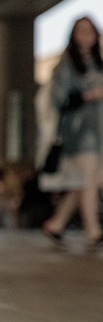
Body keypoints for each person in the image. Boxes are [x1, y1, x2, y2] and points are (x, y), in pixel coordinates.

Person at [40, 16, 103, 249]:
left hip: (99, 131)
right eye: (81, 30)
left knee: (85, 182)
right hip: (80, 132)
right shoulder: (67, 64)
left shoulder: (98, 62)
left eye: (90, 30)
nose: (86, 35)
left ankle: (56, 224)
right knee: (88, 181)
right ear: (73, 35)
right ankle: (94, 231)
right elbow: (58, 99)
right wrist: (90, 95)